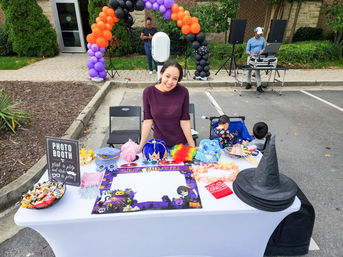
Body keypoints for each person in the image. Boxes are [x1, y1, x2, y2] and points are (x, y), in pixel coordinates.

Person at [137, 61, 195, 152]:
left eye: (175, 78)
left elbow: (185, 120)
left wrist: (192, 146)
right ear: (161, 74)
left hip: (180, 146)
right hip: (159, 146)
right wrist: (140, 146)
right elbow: (147, 120)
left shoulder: (183, 92)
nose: (170, 82)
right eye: (167, 76)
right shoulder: (148, 92)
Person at [246, 27, 266, 93]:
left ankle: (259, 86)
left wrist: (262, 51)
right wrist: (251, 54)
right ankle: (249, 83)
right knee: (249, 71)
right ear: (255, 33)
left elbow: (264, 47)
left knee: (257, 72)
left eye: (260, 34)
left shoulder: (262, 39)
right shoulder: (250, 40)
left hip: (258, 57)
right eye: (258, 34)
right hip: (251, 57)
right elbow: (247, 50)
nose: (259, 35)